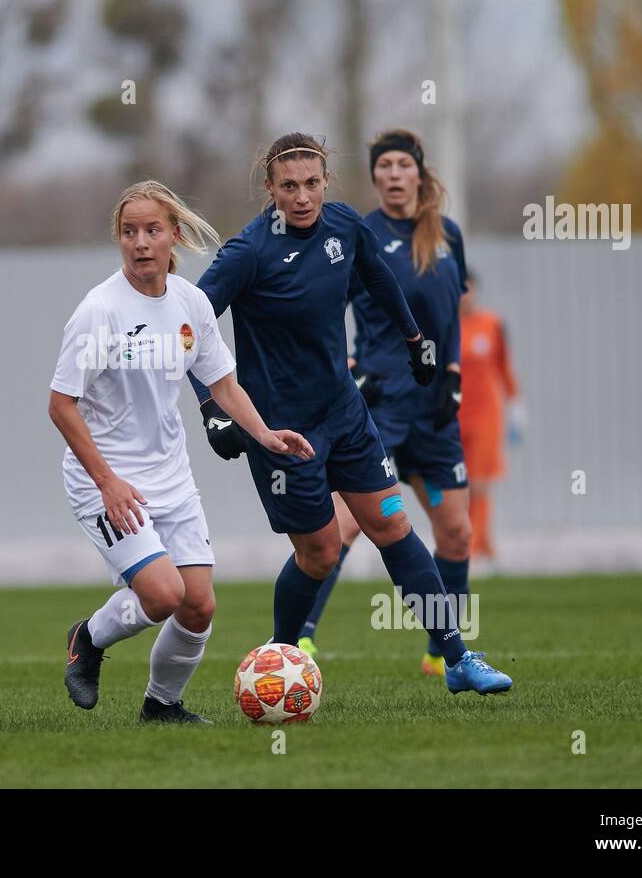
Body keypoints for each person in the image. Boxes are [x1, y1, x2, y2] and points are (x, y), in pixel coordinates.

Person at [193, 131, 511, 695]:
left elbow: (378, 276)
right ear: (270, 188)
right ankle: (281, 657)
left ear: (326, 182)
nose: (302, 197)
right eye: (288, 186)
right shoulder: (248, 252)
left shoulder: (342, 225)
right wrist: (212, 409)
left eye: (312, 183)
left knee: (390, 522)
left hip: (347, 412)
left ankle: (457, 659)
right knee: (319, 552)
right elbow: (189, 329)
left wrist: (414, 338)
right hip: (283, 431)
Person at [50, 180, 313, 723]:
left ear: (174, 235)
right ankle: (89, 637)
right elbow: (61, 405)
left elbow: (222, 384)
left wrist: (263, 434)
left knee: (198, 606)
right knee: (164, 595)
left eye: (152, 231)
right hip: (106, 481)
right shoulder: (99, 311)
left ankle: (162, 707)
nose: (140, 242)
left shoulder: (190, 303)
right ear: (119, 239)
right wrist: (107, 482)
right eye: (129, 232)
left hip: (171, 477)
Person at [294, 129, 479, 680]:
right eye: (385, 166)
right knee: (346, 527)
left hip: (435, 410)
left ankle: (443, 651)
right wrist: (349, 367)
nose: (395, 174)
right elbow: (325, 307)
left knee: (456, 533)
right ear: (375, 177)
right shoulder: (358, 234)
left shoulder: (447, 235)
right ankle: (300, 642)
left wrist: (453, 375)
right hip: (380, 405)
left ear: (419, 174)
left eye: (403, 164)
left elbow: (451, 317)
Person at [457, 269, 523, 562]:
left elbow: (503, 367)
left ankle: (475, 547)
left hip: (486, 416)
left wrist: (517, 405)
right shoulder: (444, 327)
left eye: (470, 289)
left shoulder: (492, 325)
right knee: (458, 485)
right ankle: (479, 542)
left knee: (481, 482)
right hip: (453, 417)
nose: (466, 297)